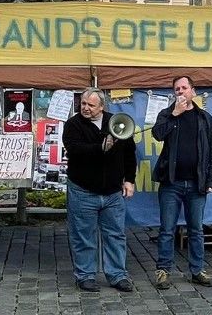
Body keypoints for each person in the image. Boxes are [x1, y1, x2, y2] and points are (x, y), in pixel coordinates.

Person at [62, 87, 136, 292]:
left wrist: (129, 179)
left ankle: (117, 275)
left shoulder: (117, 123)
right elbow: (74, 149)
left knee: (116, 235)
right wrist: (100, 147)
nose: (85, 108)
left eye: (90, 105)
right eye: (83, 104)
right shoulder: (73, 125)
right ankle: (85, 275)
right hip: (83, 191)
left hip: (112, 193)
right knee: (83, 236)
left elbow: (130, 154)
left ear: (102, 107)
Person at [152, 75, 212, 289]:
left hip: (197, 183)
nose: (180, 92)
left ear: (193, 91)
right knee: (167, 229)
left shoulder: (204, 118)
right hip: (171, 183)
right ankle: (163, 271)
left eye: (184, 88)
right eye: (176, 89)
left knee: (196, 230)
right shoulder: (166, 114)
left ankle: (197, 270)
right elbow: (157, 134)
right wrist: (174, 114)